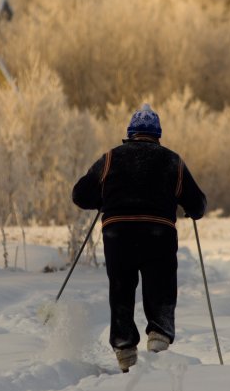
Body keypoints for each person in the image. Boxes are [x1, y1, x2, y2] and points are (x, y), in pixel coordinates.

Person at [72, 103, 207, 372]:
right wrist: (191, 208)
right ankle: (158, 339)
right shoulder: (172, 161)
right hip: (159, 234)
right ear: (157, 135)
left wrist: (102, 198)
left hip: (118, 233)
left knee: (121, 288)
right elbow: (198, 205)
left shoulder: (110, 158)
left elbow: (80, 195)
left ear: (130, 133)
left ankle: (125, 350)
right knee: (160, 284)